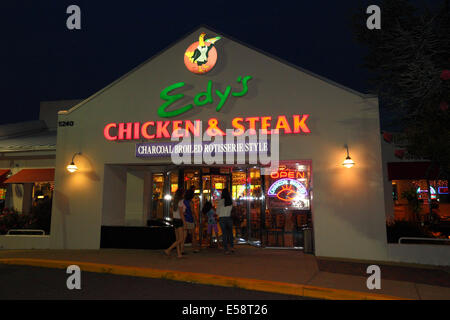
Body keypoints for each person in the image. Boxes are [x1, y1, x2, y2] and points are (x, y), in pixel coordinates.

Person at [164, 189, 185, 258]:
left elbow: (170, 211)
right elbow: (181, 213)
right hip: (179, 220)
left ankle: (179, 254)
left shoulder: (173, 201)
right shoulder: (181, 201)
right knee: (181, 239)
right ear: (181, 194)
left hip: (175, 220)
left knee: (177, 238)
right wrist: (184, 222)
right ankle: (168, 249)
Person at [182, 187, 200, 253]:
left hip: (184, 218)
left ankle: (182, 249)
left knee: (184, 235)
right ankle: (195, 248)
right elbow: (192, 212)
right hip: (190, 219)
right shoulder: (191, 202)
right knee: (193, 235)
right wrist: (196, 219)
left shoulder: (183, 201)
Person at [217, 188, 234, 254]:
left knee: (224, 234)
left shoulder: (221, 201)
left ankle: (226, 249)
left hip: (222, 218)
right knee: (230, 233)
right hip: (229, 217)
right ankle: (232, 247)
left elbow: (218, 211)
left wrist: (218, 213)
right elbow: (233, 207)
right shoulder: (230, 200)